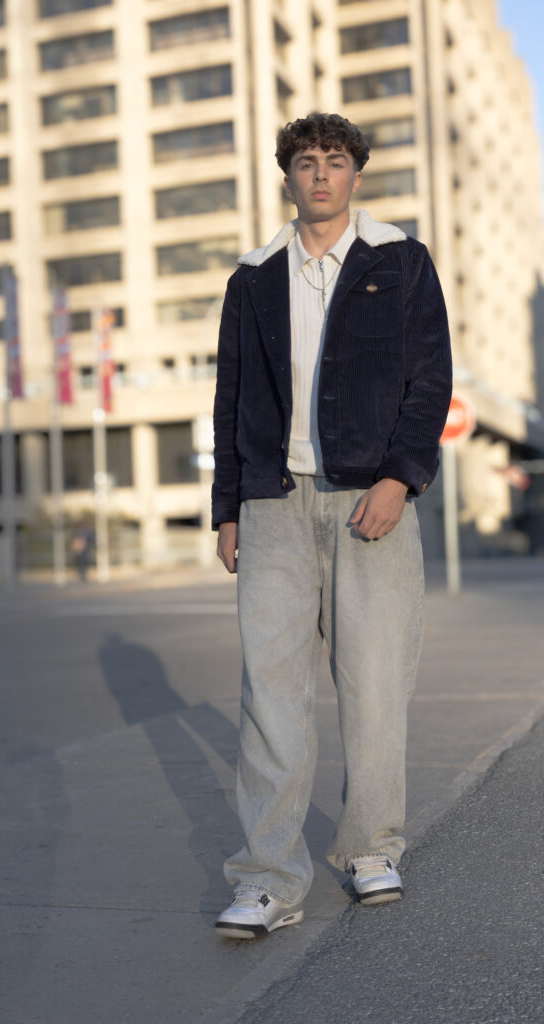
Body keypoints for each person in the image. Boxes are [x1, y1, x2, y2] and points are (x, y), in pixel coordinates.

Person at [212, 112, 452, 939]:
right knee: (270, 698)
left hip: (368, 504)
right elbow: (230, 396)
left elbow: (429, 380)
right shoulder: (252, 277)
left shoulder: (400, 261)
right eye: (306, 162)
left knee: (375, 685)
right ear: (286, 176)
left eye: (336, 161)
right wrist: (227, 506)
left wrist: (399, 476)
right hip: (271, 505)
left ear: (356, 174)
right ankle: (269, 878)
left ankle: (369, 848)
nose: (320, 174)